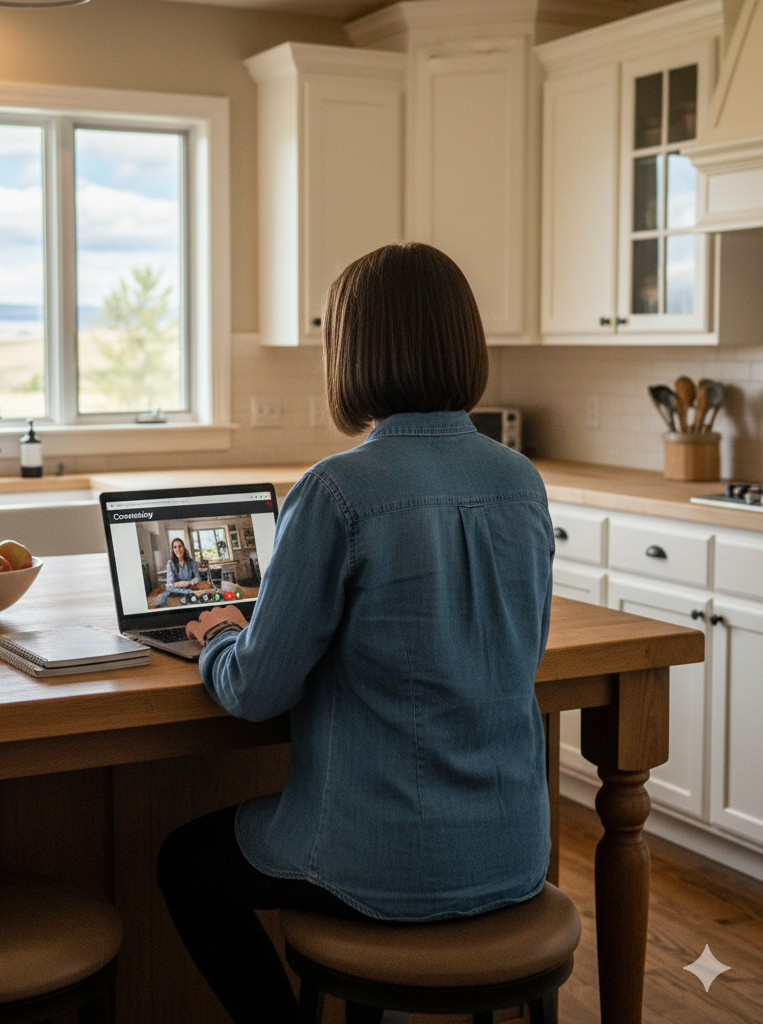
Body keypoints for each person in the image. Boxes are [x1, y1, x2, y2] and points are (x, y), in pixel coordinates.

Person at [157, 242, 555, 1024]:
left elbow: (254, 689)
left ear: (351, 352)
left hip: (380, 861)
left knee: (184, 864)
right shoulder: (522, 481)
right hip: (514, 855)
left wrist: (216, 638)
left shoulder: (338, 490)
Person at [155, 537, 202, 607]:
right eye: (175, 547)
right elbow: (168, 585)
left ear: (184, 548)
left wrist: (189, 583)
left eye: (180, 546)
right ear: (173, 550)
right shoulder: (170, 563)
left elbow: (198, 578)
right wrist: (183, 584)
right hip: (176, 594)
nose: (178, 549)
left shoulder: (192, 562)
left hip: (189, 592)